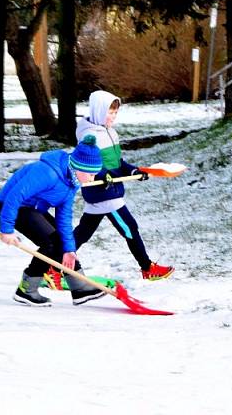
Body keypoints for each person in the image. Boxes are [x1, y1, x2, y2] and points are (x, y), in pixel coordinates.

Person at [63, 90, 174, 282]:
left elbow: (117, 162)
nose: (113, 116)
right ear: (98, 111)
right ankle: (147, 268)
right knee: (129, 227)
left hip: (111, 189)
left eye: (115, 112)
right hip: (103, 192)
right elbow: (84, 164)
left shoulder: (111, 132)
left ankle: (52, 265)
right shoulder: (89, 135)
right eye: (109, 112)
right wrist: (101, 175)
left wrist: (133, 171)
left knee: (83, 232)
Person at [0, 135, 107, 307]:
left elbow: (64, 218)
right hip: (11, 207)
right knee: (50, 244)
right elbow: (14, 196)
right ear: (79, 167)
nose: (92, 179)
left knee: (61, 242)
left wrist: (69, 249)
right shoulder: (47, 173)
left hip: (33, 208)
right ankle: (26, 289)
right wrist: (6, 229)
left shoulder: (72, 182)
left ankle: (79, 288)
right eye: (91, 174)